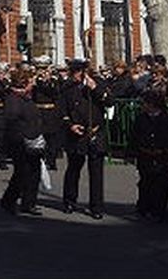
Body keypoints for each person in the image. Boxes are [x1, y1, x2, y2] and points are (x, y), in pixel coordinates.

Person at [60, 58, 111, 219]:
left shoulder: (97, 84)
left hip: (95, 132)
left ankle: (96, 206)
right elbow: (62, 110)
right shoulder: (68, 88)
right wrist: (70, 125)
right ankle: (69, 200)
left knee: (96, 173)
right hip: (76, 133)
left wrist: (94, 88)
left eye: (76, 72)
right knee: (73, 169)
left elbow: (109, 101)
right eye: (72, 72)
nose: (74, 76)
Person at [129, 88, 168, 223]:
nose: (143, 106)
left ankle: (160, 210)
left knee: (161, 185)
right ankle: (144, 208)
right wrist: (132, 153)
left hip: (163, 156)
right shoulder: (141, 118)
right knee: (145, 183)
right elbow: (134, 136)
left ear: (152, 104)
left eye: (145, 103)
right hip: (145, 155)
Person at [0, 68, 43, 216]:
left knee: (34, 172)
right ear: (24, 82)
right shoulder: (13, 98)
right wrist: (26, 136)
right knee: (22, 173)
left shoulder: (26, 97)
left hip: (33, 140)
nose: (34, 83)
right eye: (31, 81)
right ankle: (8, 201)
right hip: (20, 142)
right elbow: (13, 121)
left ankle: (29, 203)